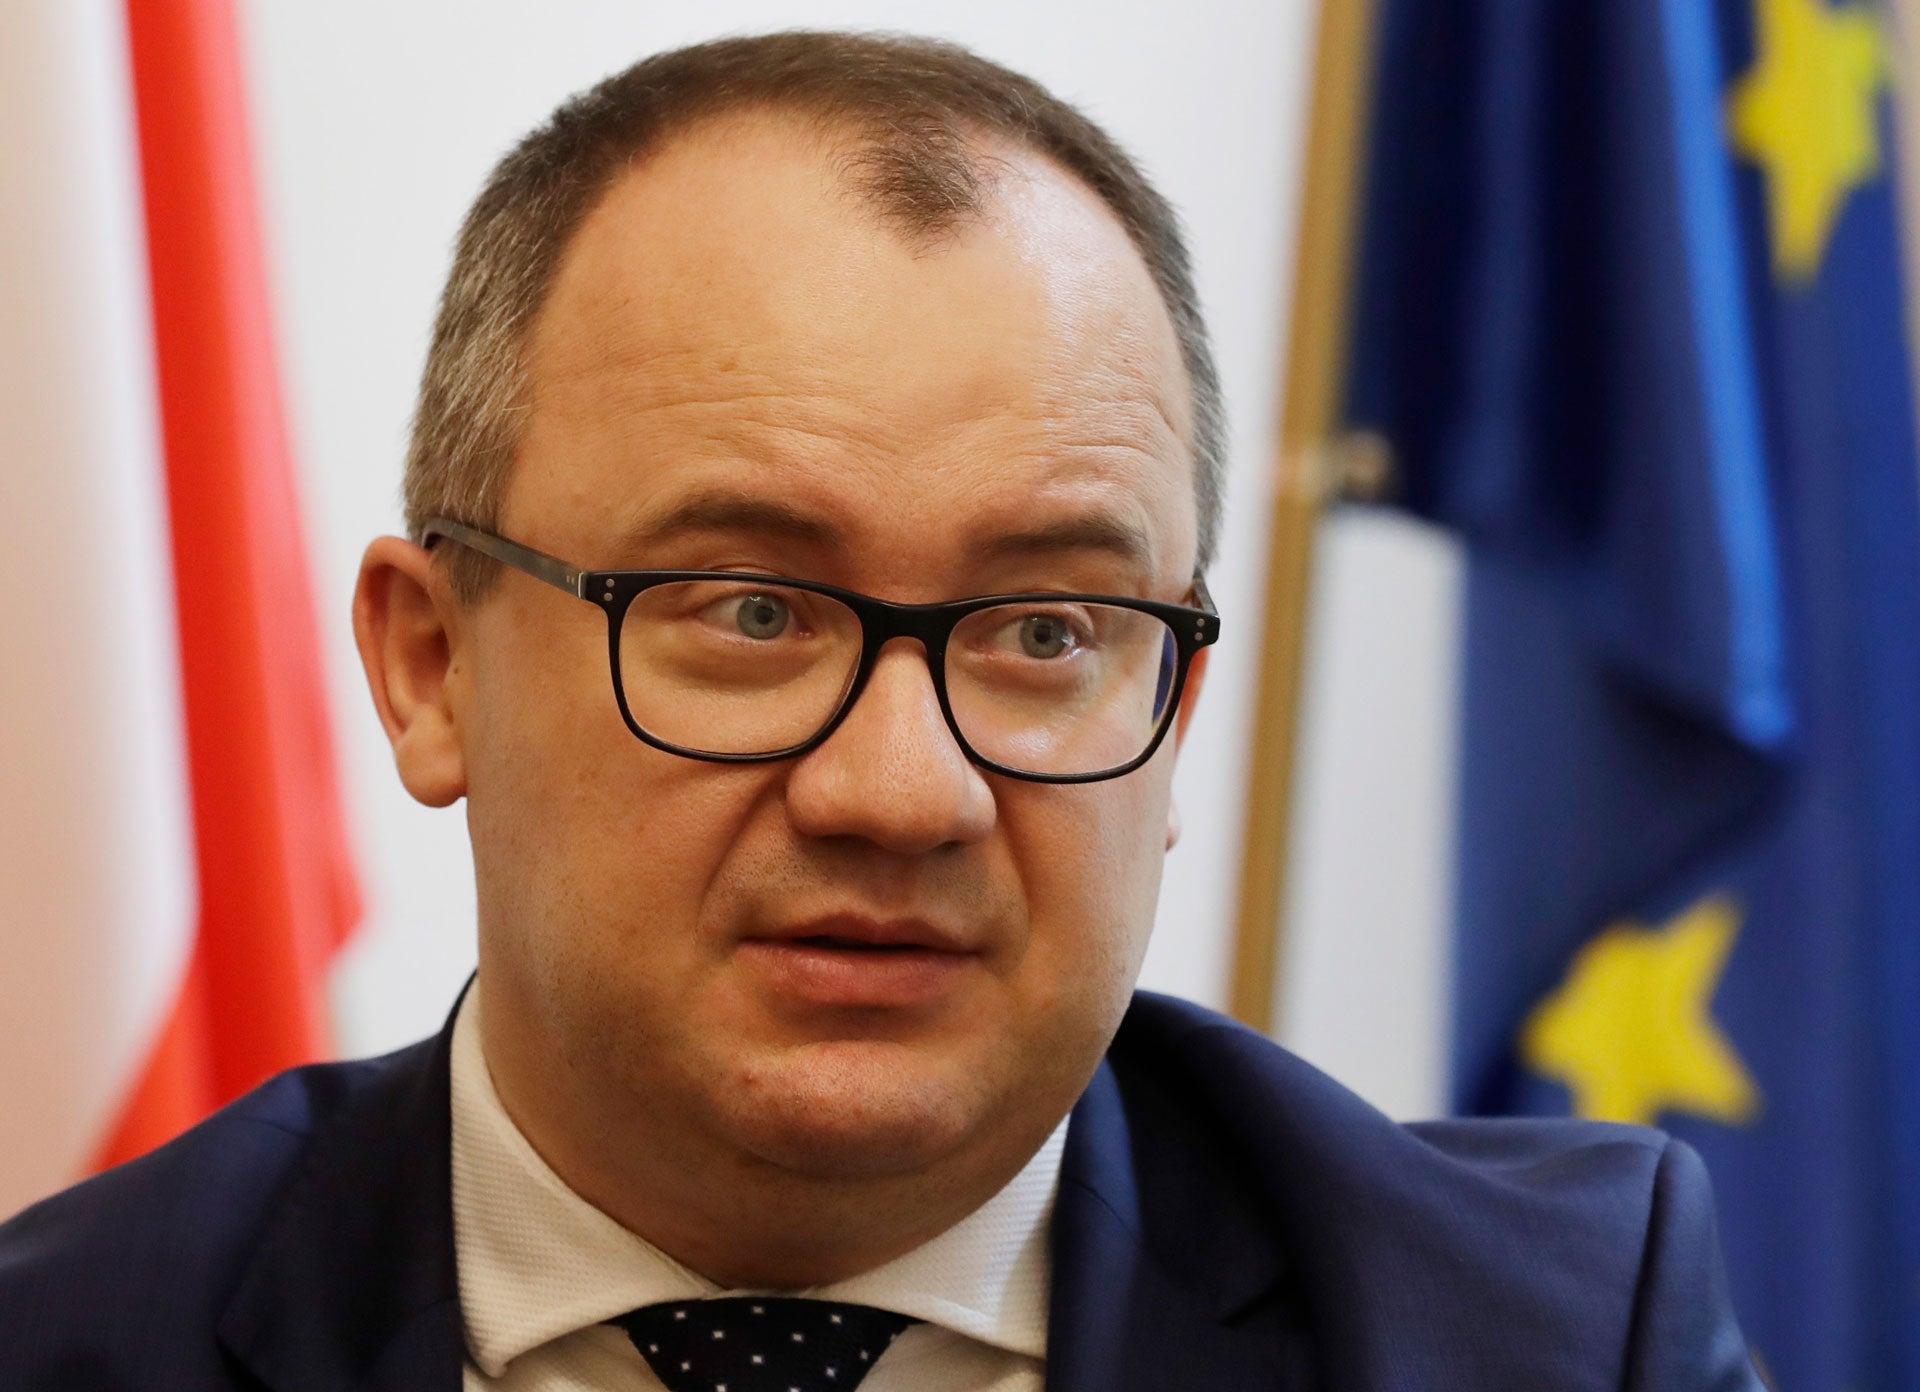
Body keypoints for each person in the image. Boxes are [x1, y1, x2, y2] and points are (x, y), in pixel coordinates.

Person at [0, 31, 1761, 1391]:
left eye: (1049, 631)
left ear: (1177, 710)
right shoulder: (70, 1345)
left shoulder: (1542, 1338)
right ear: (431, 666)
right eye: (752, 611)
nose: (903, 790)